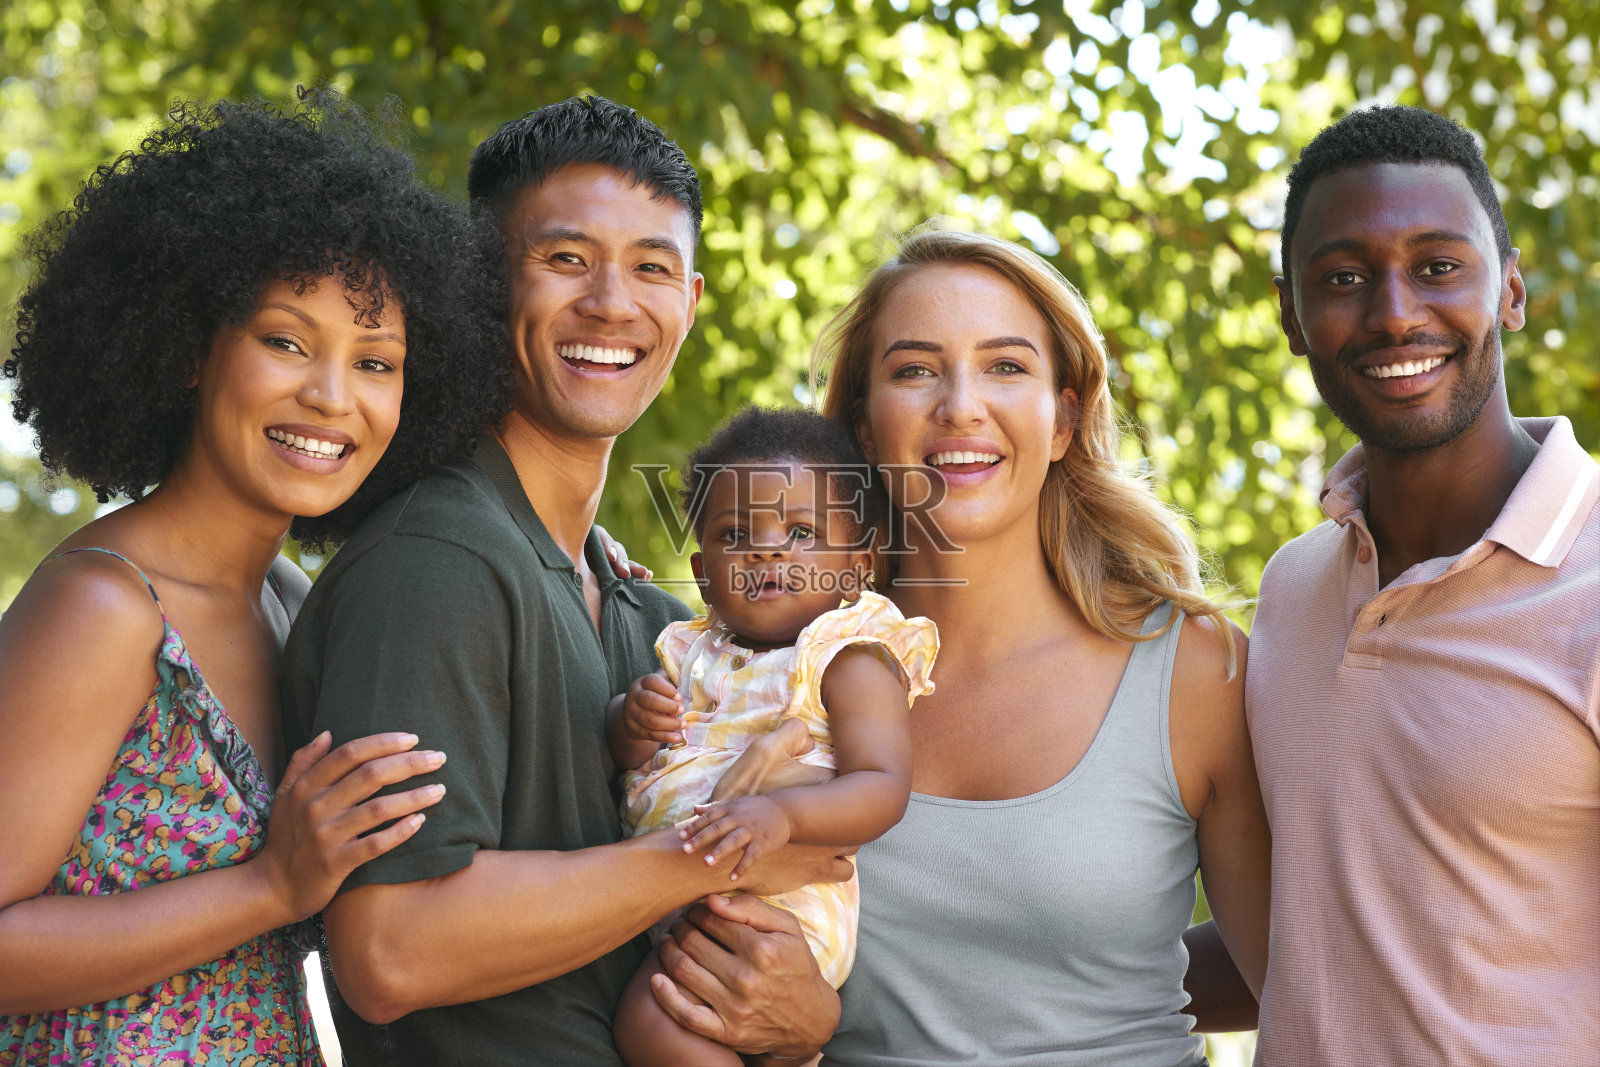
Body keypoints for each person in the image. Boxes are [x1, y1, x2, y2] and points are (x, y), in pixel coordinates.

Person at [279, 95, 852, 1066]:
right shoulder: (435, 561)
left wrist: (802, 1019)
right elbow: (390, 948)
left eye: (651, 268)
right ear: (479, 281)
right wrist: (711, 848)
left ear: (690, 302)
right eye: (566, 258)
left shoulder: (656, 620)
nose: (612, 303)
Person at [645, 227, 1271, 1065]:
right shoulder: (761, 666)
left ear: (1062, 419)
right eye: (914, 369)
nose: (961, 405)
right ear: (865, 432)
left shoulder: (1194, 667)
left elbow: (1293, 973)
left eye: (1006, 366)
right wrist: (803, 1033)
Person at [0, 92, 512, 1065]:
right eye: (286, 340)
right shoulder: (104, 607)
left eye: (376, 360)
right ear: (191, 345)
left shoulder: (292, 600)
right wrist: (270, 884)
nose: (330, 396)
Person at [1249, 105, 1600, 1065]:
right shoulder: (1291, 591)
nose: (1396, 312)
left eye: (1439, 266)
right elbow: (1309, 934)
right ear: (1291, 315)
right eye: (1345, 278)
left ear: (1512, 290)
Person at [610, 406, 938, 1066]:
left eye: (799, 531)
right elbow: (633, 761)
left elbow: (881, 785)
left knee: (654, 1022)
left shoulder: (845, 657)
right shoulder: (690, 651)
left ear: (853, 569)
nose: (766, 549)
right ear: (703, 574)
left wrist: (780, 814)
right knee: (658, 1017)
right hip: (671, 897)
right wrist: (629, 721)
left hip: (781, 906)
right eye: (738, 533)